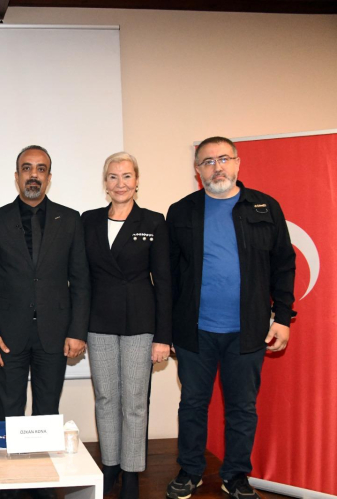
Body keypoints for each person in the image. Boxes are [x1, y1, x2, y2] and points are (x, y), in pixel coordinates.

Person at [165, 136, 295, 499]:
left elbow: (284, 265)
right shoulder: (181, 211)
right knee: (192, 405)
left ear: (238, 162)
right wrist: (167, 329)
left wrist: (283, 318)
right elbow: (169, 275)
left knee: (242, 408)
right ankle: (190, 470)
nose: (217, 167)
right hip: (195, 331)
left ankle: (236, 475)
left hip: (248, 330)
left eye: (223, 159)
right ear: (197, 170)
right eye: (208, 161)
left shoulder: (265, 207)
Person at [0, 145, 90, 499]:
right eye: (27, 168)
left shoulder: (70, 220)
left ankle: (41, 483)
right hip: (6, 336)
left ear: (49, 177)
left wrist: (77, 331)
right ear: (17, 176)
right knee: (9, 409)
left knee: (47, 411)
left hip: (55, 333)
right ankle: (10, 485)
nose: (33, 175)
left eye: (40, 169)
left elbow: (80, 280)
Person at [81, 152, 172, 499]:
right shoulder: (88, 220)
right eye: (113, 177)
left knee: (134, 401)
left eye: (127, 176)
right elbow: (81, 278)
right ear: (105, 183)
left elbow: (164, 282)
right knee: (106, 398)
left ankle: (132, 472)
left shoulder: (153, 221)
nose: (120, 183)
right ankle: (111, 465)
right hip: (99, 321)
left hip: (140, 321)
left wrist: (163, 336)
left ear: (137, 181)